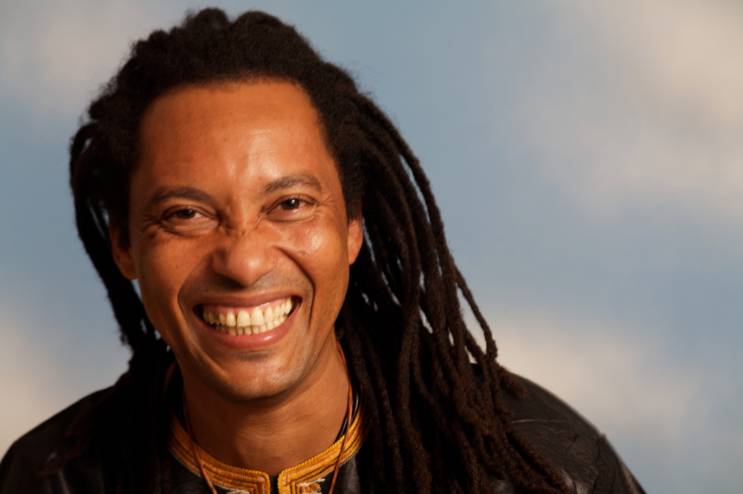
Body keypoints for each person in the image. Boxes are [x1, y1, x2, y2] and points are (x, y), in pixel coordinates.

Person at [0, 8, 645, 494]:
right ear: (124, 245)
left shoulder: (542, 473)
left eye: (289, 203)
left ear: (352, 225)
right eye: (187, 215)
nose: (244, 262)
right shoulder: (48, 481)